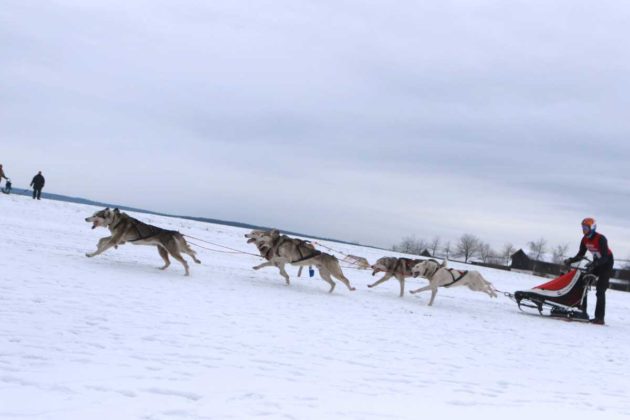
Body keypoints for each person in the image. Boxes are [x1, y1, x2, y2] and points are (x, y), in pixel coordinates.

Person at [563, 217, 614, 325]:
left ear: (592, 227)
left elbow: (605, 257)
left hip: (606, 263)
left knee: (600, 290)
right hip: (596, 262)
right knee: (583, 283)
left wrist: (594, 264)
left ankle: (599, 318)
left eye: (586, 227)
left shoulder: (601, 238)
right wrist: (571, 260)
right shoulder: (584, 239)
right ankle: (582, 312)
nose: (584, 229)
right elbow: (581, 254)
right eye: (583, 227)